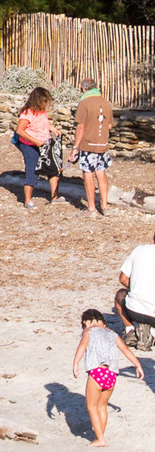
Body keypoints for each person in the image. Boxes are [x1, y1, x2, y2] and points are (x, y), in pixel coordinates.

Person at [72, 308, 144, 447]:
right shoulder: (112, 333)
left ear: (87, 322)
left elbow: (82, 345)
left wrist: (76, 363)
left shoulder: (88, 331)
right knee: (102, 406)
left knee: (91, 406)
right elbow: (125, 349)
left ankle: (100, 439)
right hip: (111, 375)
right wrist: (138, 365)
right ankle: (100, 435)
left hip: (97, 372)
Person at [12, 85, 61, 209]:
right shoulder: (28, 113)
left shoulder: (41, 111)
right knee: (32, 170)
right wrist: (35, 141)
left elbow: (44, 123)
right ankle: (27, 200)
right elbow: (20, 130)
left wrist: (53, 129)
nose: (46, 103)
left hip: (44, 144)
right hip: (29, 145)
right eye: (44, 100)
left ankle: (55, 197)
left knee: (53, 169)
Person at [73, 82, 116, 218]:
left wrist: (75, 147)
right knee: (101, 173)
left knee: (88, 174)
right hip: (102, 144)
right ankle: (104, 206)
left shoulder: (84, 103)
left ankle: (91, 208)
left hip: (88, 144)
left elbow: (80, 127)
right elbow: (109, 126)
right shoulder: (106, 103)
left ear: (84, 88)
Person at [114, 234, 155, 345]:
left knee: (120, 295)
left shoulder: (139, 250)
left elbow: (123, 279)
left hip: (135, 311)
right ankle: (152, 333)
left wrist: (138, 288)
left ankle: (130, 330)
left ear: (153, 239)